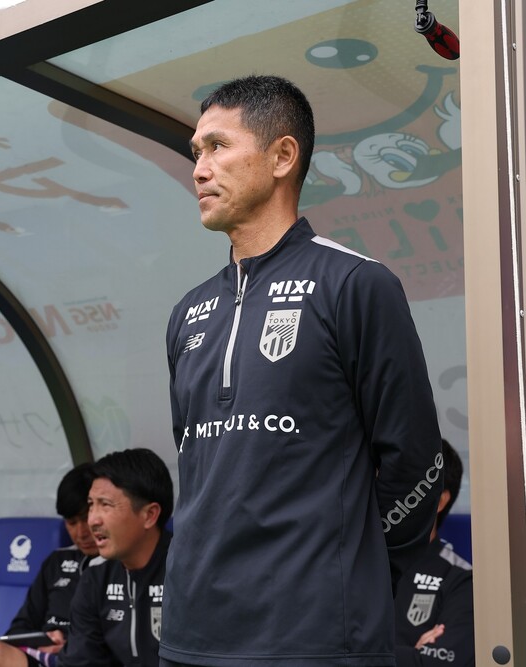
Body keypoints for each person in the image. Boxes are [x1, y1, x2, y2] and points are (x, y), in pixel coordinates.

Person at [162, 74, 443, 666]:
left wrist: (353, 576)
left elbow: (415, 462)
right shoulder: (188, 311)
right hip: (192, 636)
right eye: (196, 152)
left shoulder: (356, 284)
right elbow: (196, 463)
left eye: (217, 146)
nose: (199, 169)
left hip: (316, 639)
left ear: (283, 156)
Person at [0, 463, 101, 667]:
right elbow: (19, 629)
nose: (81, 533)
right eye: (71, 523)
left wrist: (69, 644)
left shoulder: (121, 566)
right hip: (40, 658)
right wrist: (42, 640)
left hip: (80, 659)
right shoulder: (57, 562)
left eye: (85, 520)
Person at [57, 448, 173, 667]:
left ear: (149, 515)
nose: (92, 520)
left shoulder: (189, 575)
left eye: (105, 505)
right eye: (91, 505)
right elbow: (80, 661)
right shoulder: (95, 580)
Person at [394, 439, 474, 666]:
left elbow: (442, 662)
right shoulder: (351, 565)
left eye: (402, 482)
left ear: (439, 501)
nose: (388, 495)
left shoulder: (461, 579)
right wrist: (410, 655)